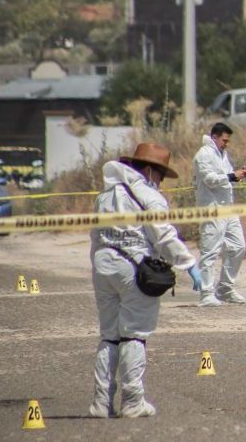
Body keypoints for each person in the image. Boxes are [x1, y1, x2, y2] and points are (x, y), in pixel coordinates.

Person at [90, 142, 202, 418]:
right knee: (134, 336)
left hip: (102, 266)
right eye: (161, 175)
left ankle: (100, 403)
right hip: (134, 268)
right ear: (150, 170)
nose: (161, 182)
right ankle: (132, 401)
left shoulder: (104, 196)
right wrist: (188, 264)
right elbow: (163, 236)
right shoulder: (147, 195)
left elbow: (95, 237)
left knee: (109, 337)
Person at [193, 122, 246, 307]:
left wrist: (238, 176)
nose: (226, 143)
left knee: (238, 246)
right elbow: (210, 179)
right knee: (210, 251)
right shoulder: (204, 154)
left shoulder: (222, 154)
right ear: (214, 137)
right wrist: (231, 176)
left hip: (228, 208)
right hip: (212, 208)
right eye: (224, 140)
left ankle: (225, 288)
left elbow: (226, 178)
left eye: (228, 141)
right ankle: (206, 293)